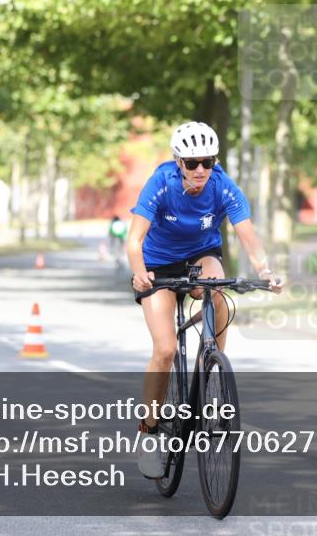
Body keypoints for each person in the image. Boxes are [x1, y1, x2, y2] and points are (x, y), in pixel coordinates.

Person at [127, 121, 283, 479]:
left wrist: (266, 271)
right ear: (178, 161)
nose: (200, 170)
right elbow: (134, 240)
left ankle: (210, 366)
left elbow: (247, 234)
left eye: (207, 162)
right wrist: (139, 272)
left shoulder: (221, 185)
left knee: (220, 297)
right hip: (157, 263)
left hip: (201, 254)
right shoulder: (161, 183)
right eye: (192, 162)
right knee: (165, 349)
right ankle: (149, 433)